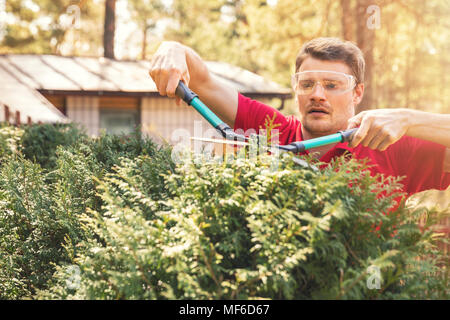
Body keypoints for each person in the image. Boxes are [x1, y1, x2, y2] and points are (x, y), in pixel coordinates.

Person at [149, 37, 450, 197]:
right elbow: (202, 81)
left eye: (332, 86)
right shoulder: (271, 130)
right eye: (307, 84)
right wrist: (171, 48)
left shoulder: (391, 146)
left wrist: (408, 119)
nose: (317, 94)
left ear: (357, 93)